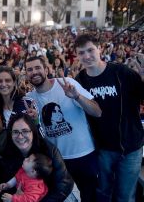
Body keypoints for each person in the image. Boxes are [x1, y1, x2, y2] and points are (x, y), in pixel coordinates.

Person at [74, 34, 144, 202]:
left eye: (90, 50)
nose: (87, 56)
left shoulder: (122, 72)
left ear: (100, 49)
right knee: (103, 193)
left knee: (125, 196)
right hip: (102, 149)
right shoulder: (80, 81)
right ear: (77, 56)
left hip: (131, 148)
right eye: (81, 52)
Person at [25, 56, 102, 202]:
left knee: (91, 197)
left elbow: (97, 111)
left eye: (37, 68)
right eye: (30, 69)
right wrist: (34, 121)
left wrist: (77, 96)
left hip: (84, 156)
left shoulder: (67, 84)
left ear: (46, 69)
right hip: (57, 161)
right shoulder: (29, 99)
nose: (34, 72)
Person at [0, 113, 73, 202]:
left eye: (25, 131)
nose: (20, 136)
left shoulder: (49, 150)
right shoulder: (5, 153)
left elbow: (64, 185)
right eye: (15, 132)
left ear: (33, 131)